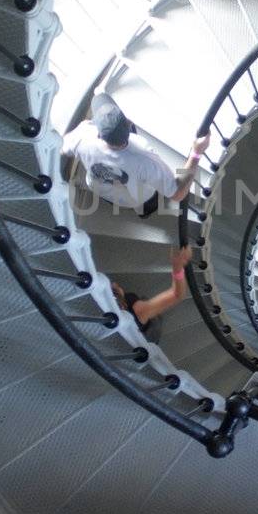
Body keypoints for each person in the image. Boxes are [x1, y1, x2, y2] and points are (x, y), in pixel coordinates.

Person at [62, 94, 208, 217]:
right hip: (136, 197)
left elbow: (61, 148)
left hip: (97, 186)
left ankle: (143, 211)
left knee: (100, 97)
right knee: (148, 200)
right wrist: (196, 153)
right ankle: (146, 210)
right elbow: (177, 194)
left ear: (98, 133)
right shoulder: (143, 157)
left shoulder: (82, 135)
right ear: (129, 123)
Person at [113, 247, 194, 340]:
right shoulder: (138, 311)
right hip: (147, 332)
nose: (114, 283)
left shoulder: (135, 309)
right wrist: (178, 268)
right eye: (115, 287)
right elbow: (177, 295)